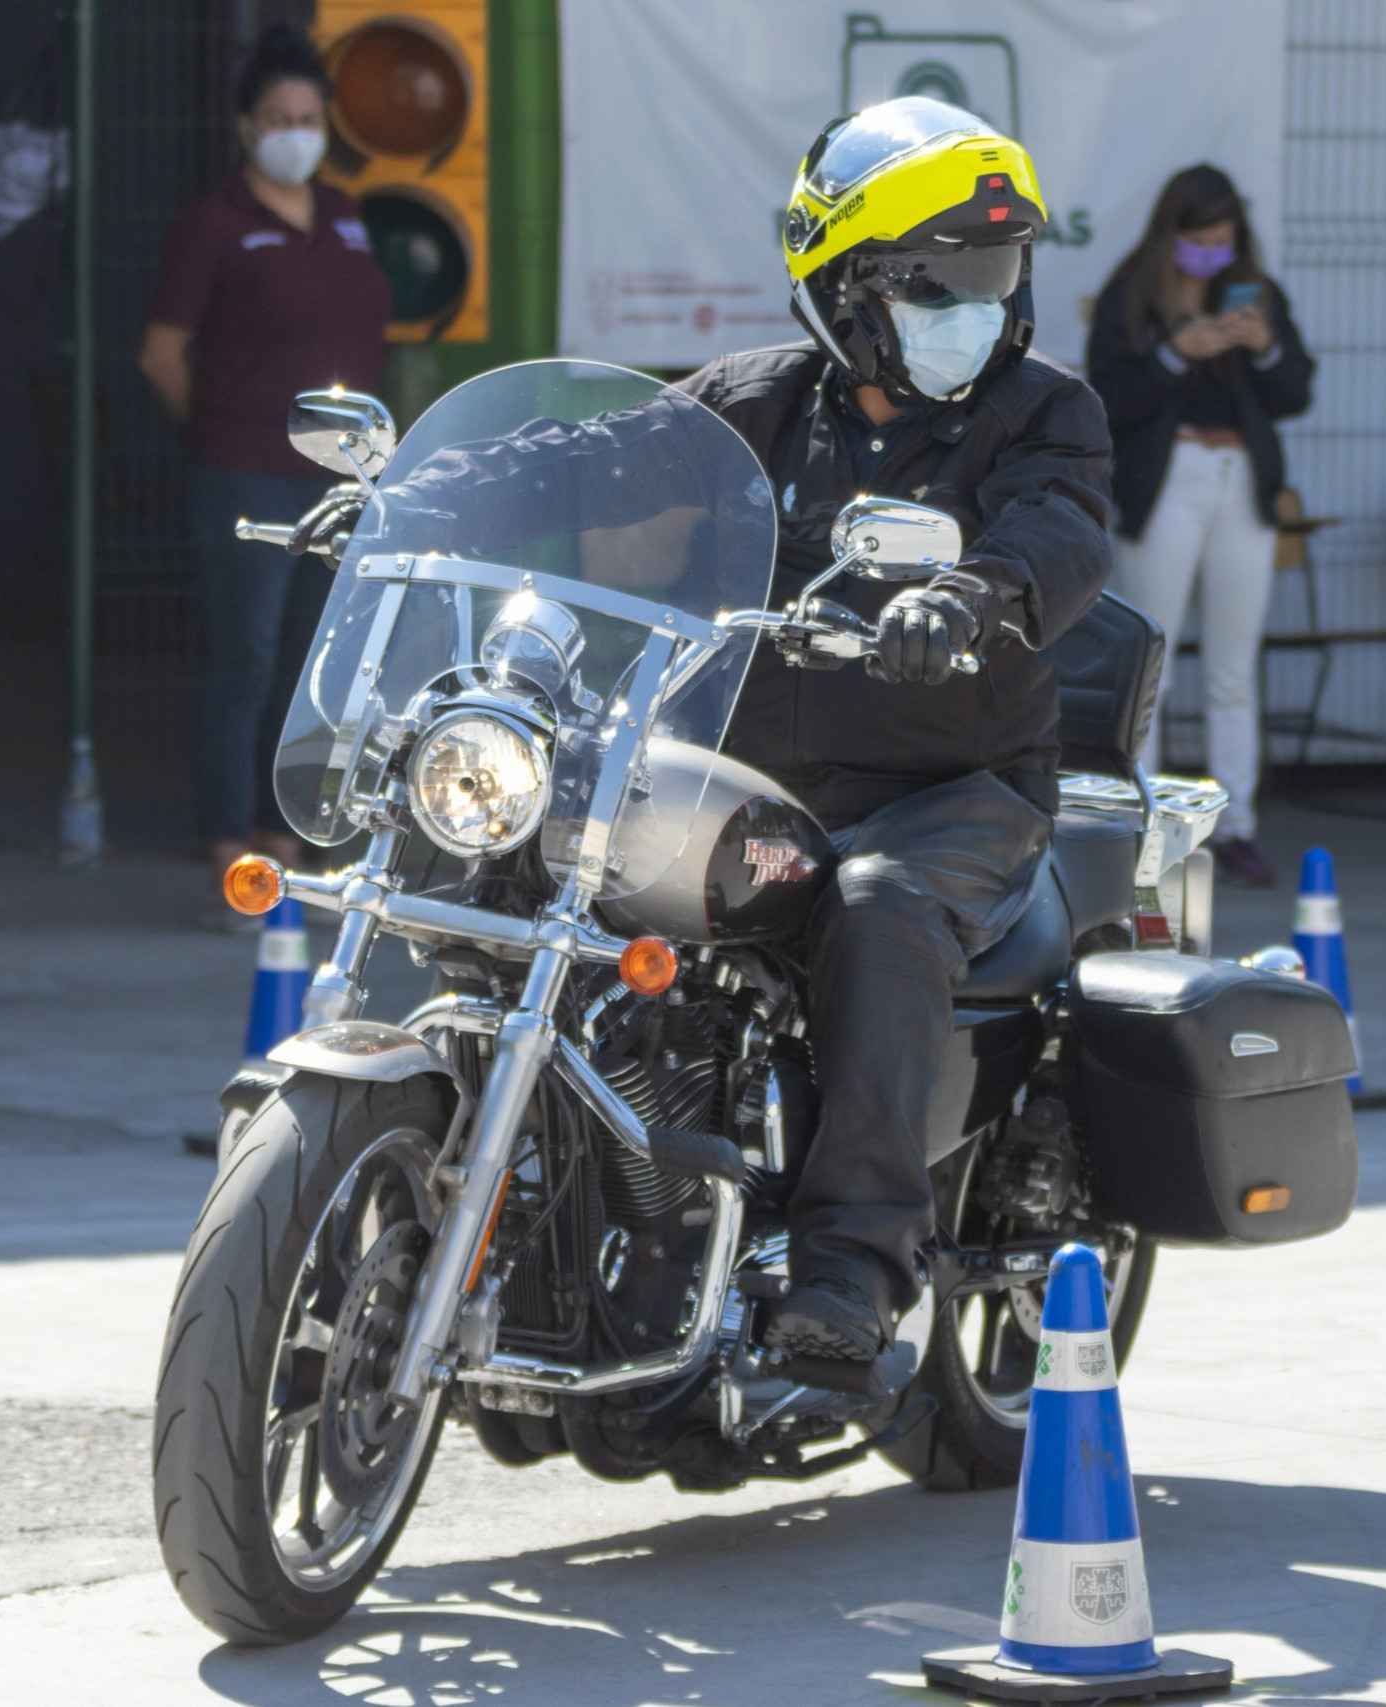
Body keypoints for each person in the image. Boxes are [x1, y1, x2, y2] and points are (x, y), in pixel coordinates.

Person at [293, 97, 1113, 1362]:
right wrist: (408, 496)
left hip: (947, 789)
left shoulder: (1044, 413)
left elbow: (1057, 525)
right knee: (540, 851)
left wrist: (973, 593)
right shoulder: (760, 401)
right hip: (746, 772)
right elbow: (581, 460)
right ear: (843, 291)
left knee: (881, 908)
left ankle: (851, 1266)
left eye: (998, 273)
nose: (980, 305)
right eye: (937, 279)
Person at [137, 24, 389, 909]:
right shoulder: (214, 223)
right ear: (246, 127)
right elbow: (161, 354)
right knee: (241, 658)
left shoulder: (349, 216)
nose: (295, 130)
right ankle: (229, 840)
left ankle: (289, 834)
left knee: (313, 661)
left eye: (308, 117)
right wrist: (219, 432)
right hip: (243, 476)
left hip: (340, 485)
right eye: (278, 117)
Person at [1086, 164, 1315, 888]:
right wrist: (1175, 352)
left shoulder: (1254, 291)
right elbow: (1109, 397)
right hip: (1168, 479)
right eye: (1200, 241)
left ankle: (1236, 821)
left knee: (1232, 666)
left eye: (1224, 240)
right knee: (1148, 660)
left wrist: (1262, 345)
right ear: (1172, 236)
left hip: (1239, 479)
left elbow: (1294, 390)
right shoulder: (1133, 291)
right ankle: (1143, 823)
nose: (1213, 253)